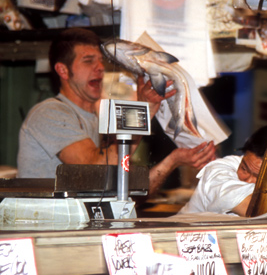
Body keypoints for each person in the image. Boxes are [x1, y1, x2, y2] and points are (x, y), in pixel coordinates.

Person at [17, 28, 216, 195]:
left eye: (100, 60)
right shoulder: (50, 113)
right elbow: (95, 170)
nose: (100, 68)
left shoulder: (97, 117)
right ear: (63, 70)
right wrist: (143, 109)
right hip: (46, 229)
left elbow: (119, 183)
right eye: (88, 61)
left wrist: (173, 160)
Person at [178, 124, 267, 217]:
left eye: (259, 177)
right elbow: (254, 207)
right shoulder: (218, 169)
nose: (248, 180)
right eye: (244, 169)